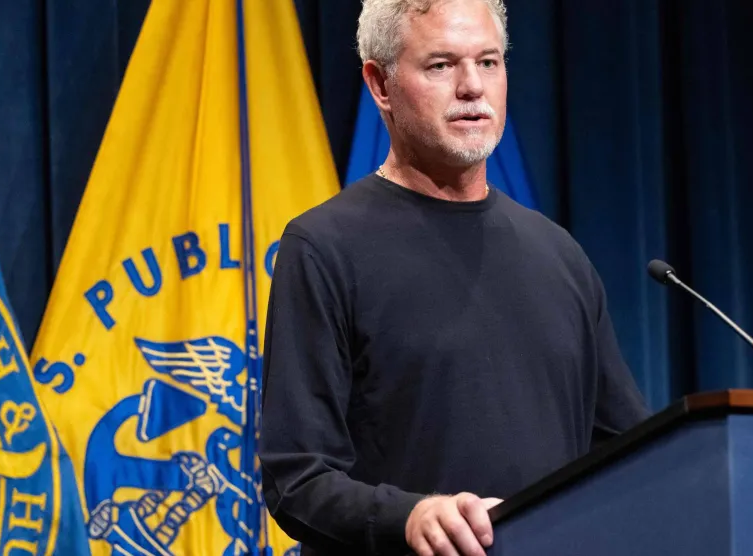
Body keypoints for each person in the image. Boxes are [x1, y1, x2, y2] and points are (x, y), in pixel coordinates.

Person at [259, 0, 650, 555]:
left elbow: (629, 457)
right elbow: (296, 479)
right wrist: (409, 516)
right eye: (441, 65)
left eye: (489, 62)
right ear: (381, 84)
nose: (473, 87)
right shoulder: (324, 249)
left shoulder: (558, 254)